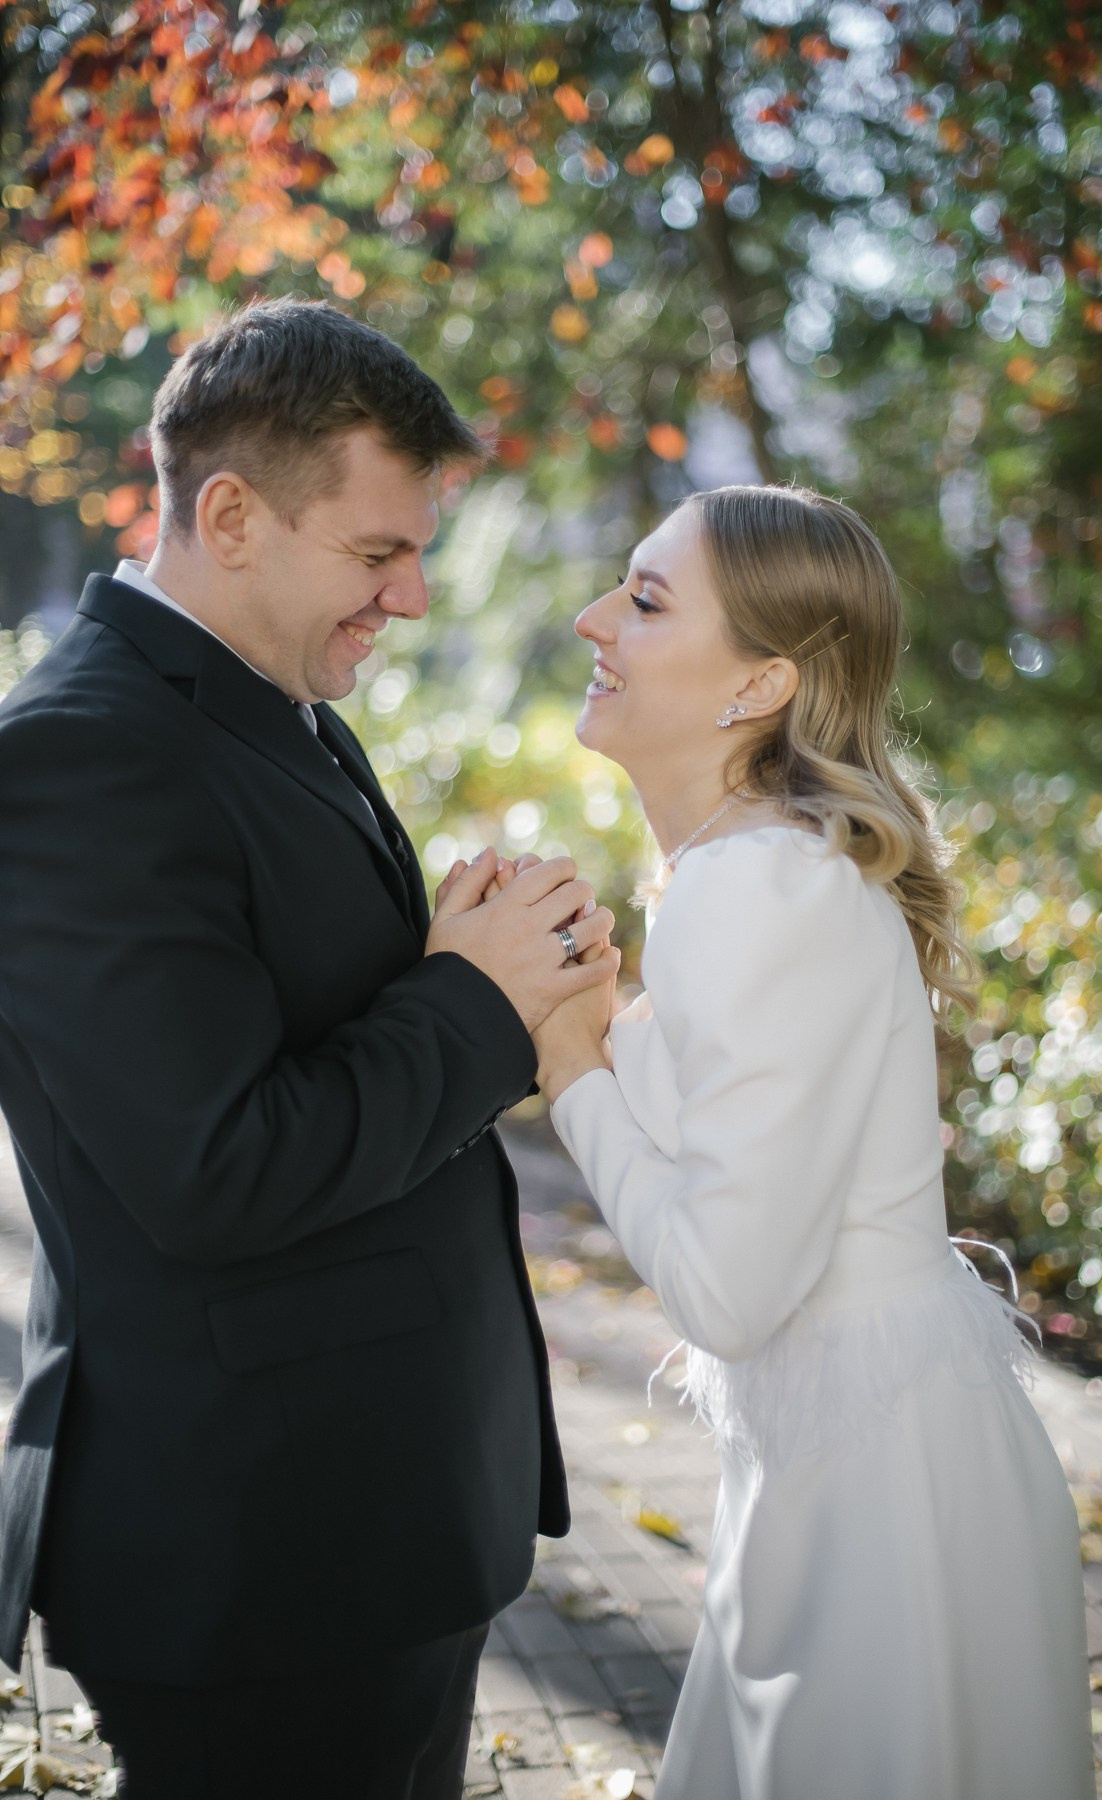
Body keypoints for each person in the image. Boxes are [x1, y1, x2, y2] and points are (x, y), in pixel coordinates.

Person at [0, 296, 618, 1800]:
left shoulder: (273, 706)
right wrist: (473, 998)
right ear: (230, 516)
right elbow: (216, 1169)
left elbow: (299, 1021)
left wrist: (451, 962)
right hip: (258, 1546)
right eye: (376, 551)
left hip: (367, 1514)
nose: (411, 595)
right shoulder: (82, 755)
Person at [529, 485, 1097, 1799]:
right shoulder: (756, 868)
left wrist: (572, 1071)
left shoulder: (756, 887)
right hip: (855, 1455)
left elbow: (728, 1295)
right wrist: (608, 1023)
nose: (593, 618)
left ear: (760, 684)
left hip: (878, 1507)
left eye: (646, 600)